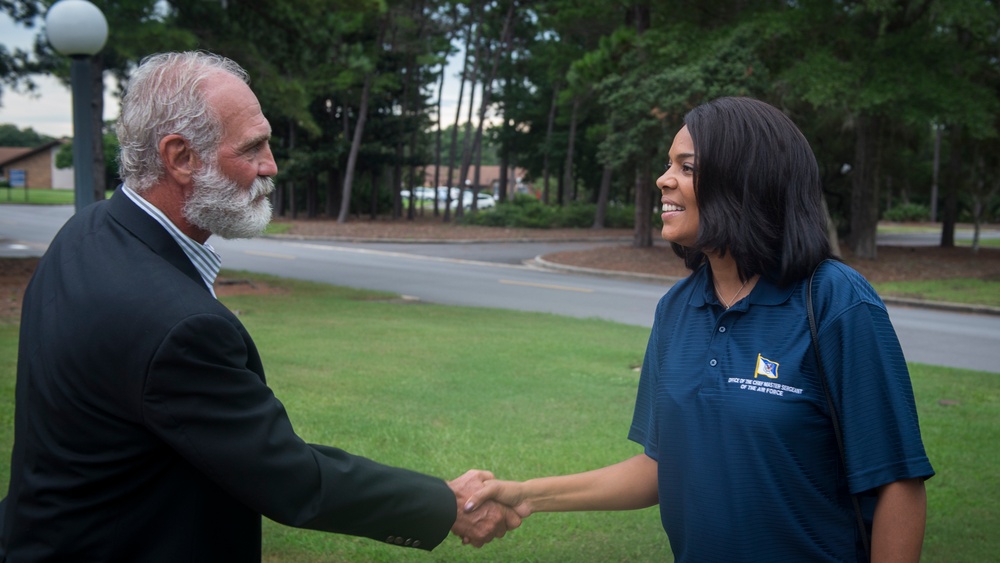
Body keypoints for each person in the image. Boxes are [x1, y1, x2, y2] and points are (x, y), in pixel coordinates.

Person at [0, 51, 517, 561]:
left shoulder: (87, 232)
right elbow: (290, 478)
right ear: (180, 158)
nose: (270, 166)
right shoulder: (179, 326)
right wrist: (446, 505)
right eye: (252, 148)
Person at [466, 97, 934, 562]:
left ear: (746, 180)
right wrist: (525, 495)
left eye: (686, 168)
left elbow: (897, 481)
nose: (663, 179)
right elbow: (661, 466)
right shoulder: (676, 308)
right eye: (668, 164)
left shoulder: (836, 301)